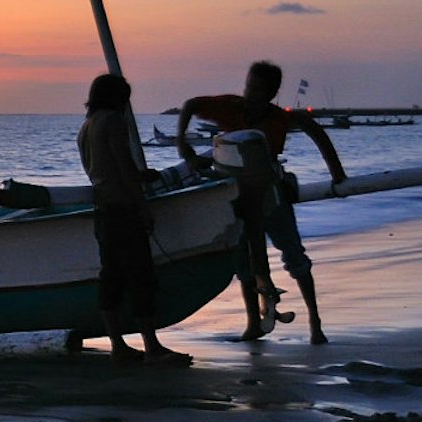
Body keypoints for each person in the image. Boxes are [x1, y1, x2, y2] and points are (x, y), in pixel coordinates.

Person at [176, 60, 347, 344]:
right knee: (244, 261)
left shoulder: (280, 118)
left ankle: (316, 324)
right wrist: (183, 144)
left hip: (271, 194)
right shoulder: (229, 107)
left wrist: (337, 174)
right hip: (236, 196)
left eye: (257, 89)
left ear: (271, 93)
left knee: (294, 255)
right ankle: (253, 322)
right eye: (248, 86)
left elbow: (317, 132)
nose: (250, 94)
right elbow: (190, 104)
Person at [77, 73, 190, 365]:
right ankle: (151, 346)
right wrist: (142, 206)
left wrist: (138, 176)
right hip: (123, 210)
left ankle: (118, 344)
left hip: (102, 210)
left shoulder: (86, 126)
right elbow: (124, 167)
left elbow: (101, 169)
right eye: (125, 98)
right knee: (141, 276)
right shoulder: (114, 122)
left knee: (111, 277)